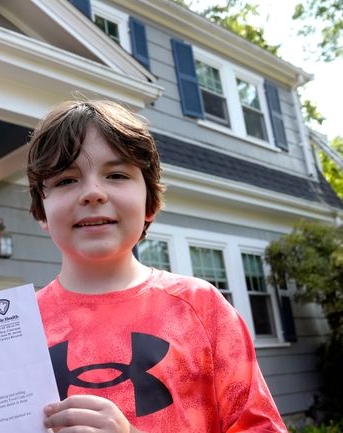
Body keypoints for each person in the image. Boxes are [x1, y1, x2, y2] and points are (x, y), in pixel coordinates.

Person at [27, 100, 287, 433]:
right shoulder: (20, 330)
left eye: (116, 175)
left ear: (149, 202)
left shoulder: (200, 307)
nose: (92, 193)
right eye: (65, 180)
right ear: (40, 211)